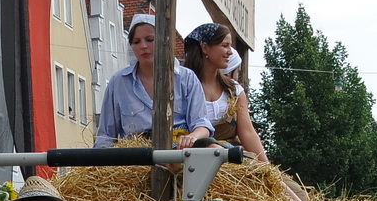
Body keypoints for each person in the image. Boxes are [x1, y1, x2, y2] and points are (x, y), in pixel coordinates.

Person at [95, 14, 211, 148]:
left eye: (150, 39)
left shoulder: (186, 78)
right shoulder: (118, 82)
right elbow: (106, 136)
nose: (143, 46)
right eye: (136, 42)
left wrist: (192, 137)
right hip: (135, 159)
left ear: (163, 40)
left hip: (179, 154)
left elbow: (202, 124)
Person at [182, 23, 268, 161]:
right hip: (197, 159)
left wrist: (268, 169)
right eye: (225, 45)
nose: (230, 51)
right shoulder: (182, 86)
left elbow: (247, 133)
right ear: (205, 47)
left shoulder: (233, 90)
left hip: (233, 157)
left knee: (289, 184)